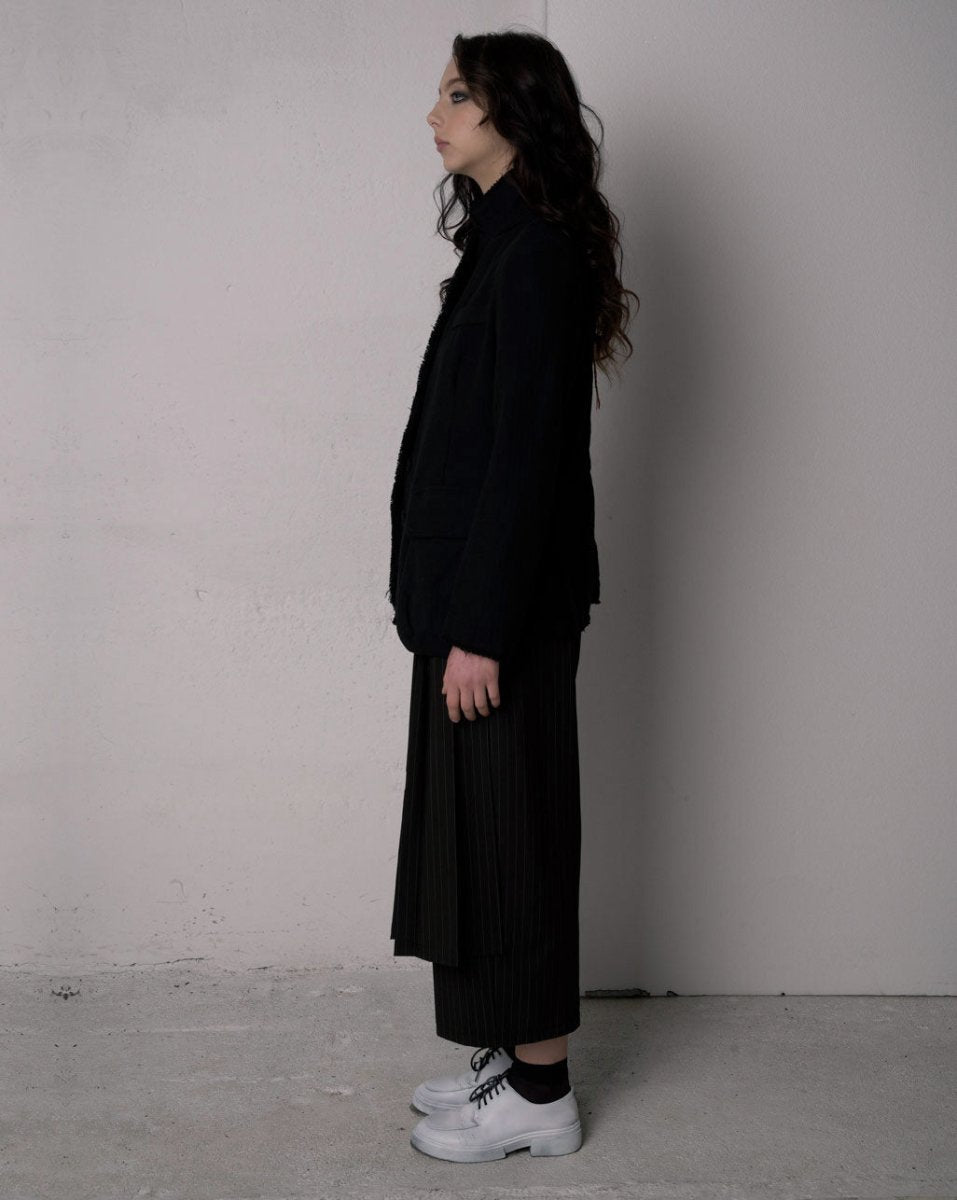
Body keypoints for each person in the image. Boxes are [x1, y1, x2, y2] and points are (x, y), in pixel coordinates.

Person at [387, 29, 638, 1162]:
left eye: (456, 95)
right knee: (477, 840)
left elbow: (528, 459)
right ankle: (508, 1056)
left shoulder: (533, 254)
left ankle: (541, 1093)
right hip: (468, 606)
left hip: (503, 617)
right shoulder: (500, 241)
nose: (434, 115)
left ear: (510, 113)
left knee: (516, 839)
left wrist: (482, 630)